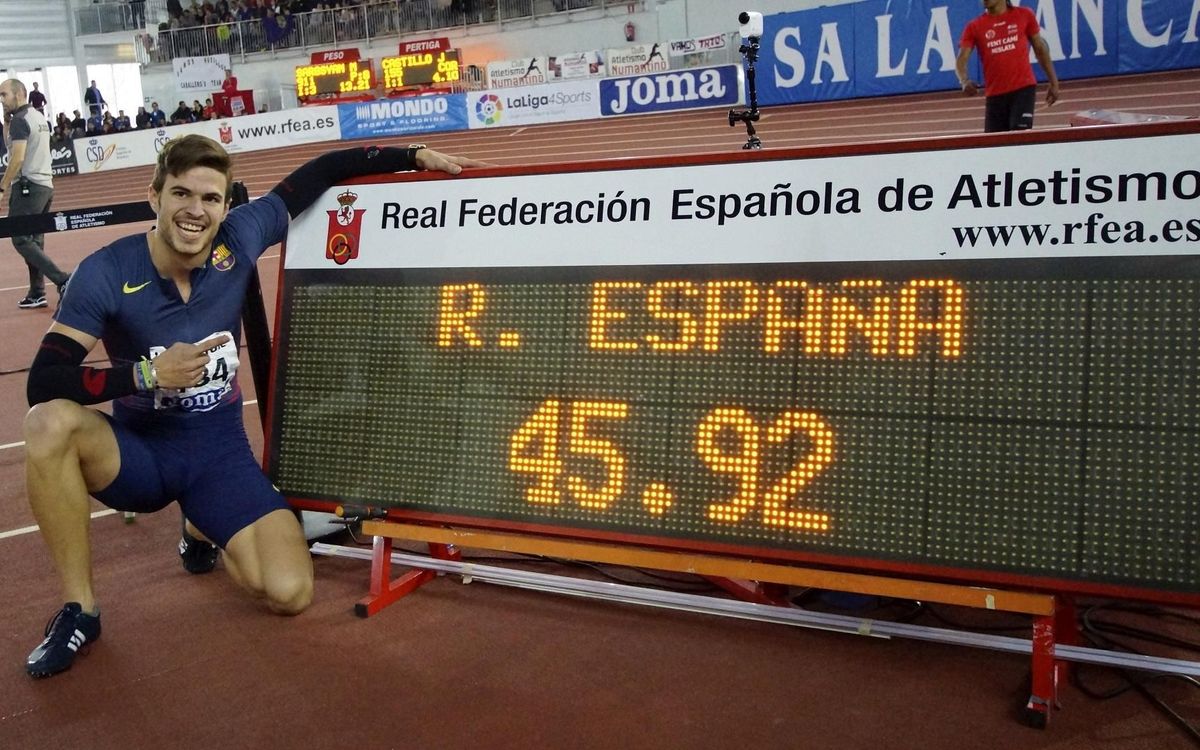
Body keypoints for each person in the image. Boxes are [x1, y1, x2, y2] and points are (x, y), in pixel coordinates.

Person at [20, 134, 485, 677]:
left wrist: (412, 157)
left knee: (290, 592)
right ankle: (82, 610)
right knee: (47, 423)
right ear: (155, 196)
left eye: (211, 199)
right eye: (182, 194)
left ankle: (200, 523)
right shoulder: (104, 272)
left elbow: (321, 172)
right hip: (139, 456)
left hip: (217, 454)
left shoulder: (238, 239)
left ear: (225, 206)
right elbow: (44, 381)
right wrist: (145, 374)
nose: (196, 211)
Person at [0, 79, 70, 310]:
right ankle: (37, 292)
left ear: (19, 94)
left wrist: (2, 186)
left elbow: (17, 158)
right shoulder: (37, 117)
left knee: (20, 239)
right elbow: (18, 147)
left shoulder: (20, 121)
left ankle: (62, 280)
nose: (1, 100)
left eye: (4, 95)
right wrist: (5, 124)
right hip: (45, 185)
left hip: (28, 187)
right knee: (35, 242)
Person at [957, 0, 1060, 132]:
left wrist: (1053, 82)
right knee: (995, 147)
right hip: (994, 95)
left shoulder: (1024, 15)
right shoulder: (974, 26)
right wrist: (964, 81)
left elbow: (1040, 49)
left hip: (1023, 89)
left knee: (1019, 137)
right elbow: (961, 59)